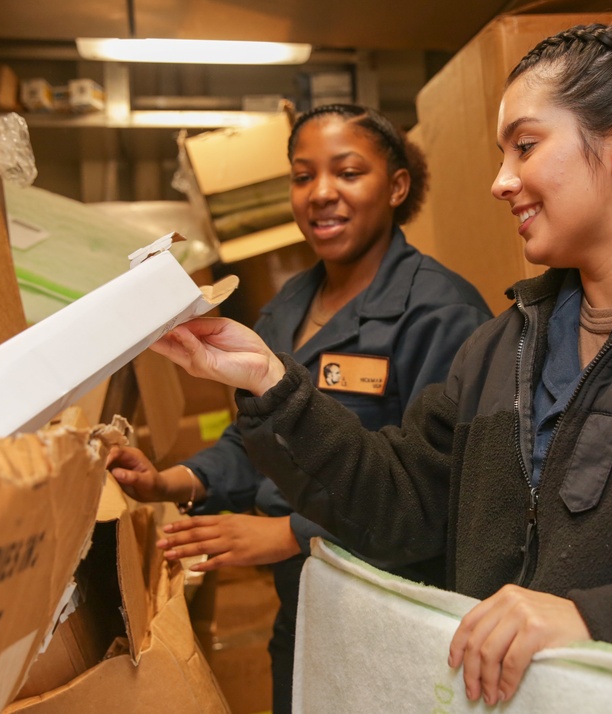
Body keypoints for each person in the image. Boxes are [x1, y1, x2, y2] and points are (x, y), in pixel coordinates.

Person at [142, 24, 612, 713]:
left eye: (525, 147)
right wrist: (270, 384)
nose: (501, 181)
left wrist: (597, 623)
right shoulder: (500, 349)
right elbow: (404, 508)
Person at [107, 104, 492, 713]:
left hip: (398, 614)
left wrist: (291, 533)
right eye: (302, 175)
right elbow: (253, 440)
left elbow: (443, 487)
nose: (321, 194)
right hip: (307, 607)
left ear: (396, 187)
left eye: (347, 172)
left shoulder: (442, 314)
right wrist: (175, 479)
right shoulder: (286, 307)